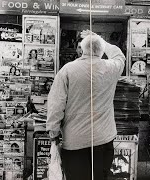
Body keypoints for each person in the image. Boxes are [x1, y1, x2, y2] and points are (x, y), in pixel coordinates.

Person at [46, 30, 126, 180]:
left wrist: (53, 132)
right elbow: (119, 54)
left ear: (82, 49)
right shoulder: (111, 68)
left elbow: (56, 104)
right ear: (102, 51)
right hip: (104, 140)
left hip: (75, 142)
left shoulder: (67, 70)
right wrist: (99, 39)